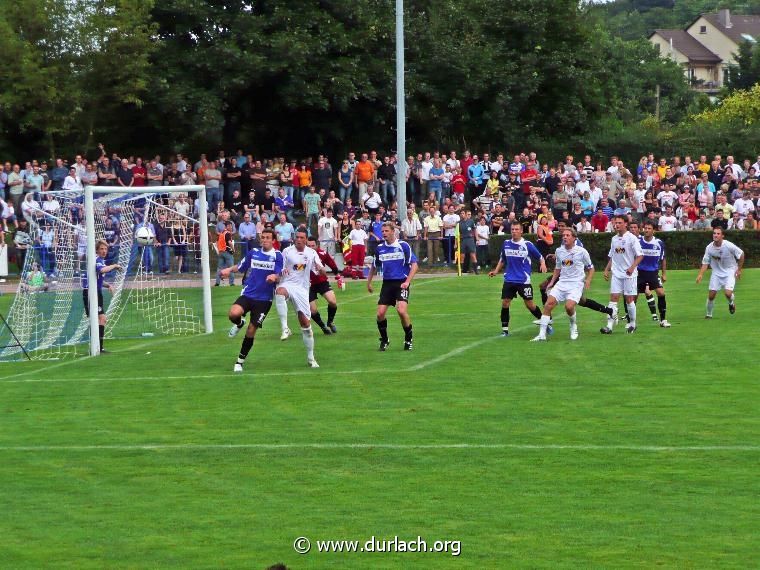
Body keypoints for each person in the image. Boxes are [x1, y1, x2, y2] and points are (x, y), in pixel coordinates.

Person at [220, 228, 284, 373]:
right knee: (233, 314)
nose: (265, 240)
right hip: (248, 293)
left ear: (273, 240)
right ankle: (239, 322)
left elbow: (279, 273)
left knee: (251, 330)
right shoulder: (253, 253)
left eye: (268, 238)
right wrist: (228, 270)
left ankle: (239, 361)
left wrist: (275, 277)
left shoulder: (277, 256)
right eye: (263, 237)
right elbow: (241, 266)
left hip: (264, 299)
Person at [532, 227, 595, 342]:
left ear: (574, 238)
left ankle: (573, 326)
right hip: (562, 282)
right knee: (548, 305)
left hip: (576, 283)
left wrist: (588, 280)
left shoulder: (581, 251)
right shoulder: (559, 251)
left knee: (569, 306)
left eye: (567, 235)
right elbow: (558, 268)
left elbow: (591, 268)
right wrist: (551, 282)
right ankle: (541, 335)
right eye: (563, 235)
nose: (565, 237)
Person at [274, 228, 326, 367]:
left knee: (306, 326)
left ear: (306, 239)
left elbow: (321, 269)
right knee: (279, 292)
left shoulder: (311, 253)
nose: (298, 239)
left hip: (302, 290)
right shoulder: (287, 251)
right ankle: (285, 328)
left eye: (302, 237)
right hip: (287, 284)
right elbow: (279, 266)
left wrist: (321, 270)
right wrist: (279, 272)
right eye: (297, 237)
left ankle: (311, 358)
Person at [488, 223, 547, 337]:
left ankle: (544, 322)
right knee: (505, 303)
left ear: (521, 231)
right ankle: (505, 331)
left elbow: (540, 257)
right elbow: (502, 259)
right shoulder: (506, 244)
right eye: (512, 229)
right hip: (509, 279)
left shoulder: (527, 245)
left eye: (516, 229)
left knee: (530, 304)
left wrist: (543, 264)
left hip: (523, 280)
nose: (514, 231)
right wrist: (495, 271)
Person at [367, 222, 418, 351]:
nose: (383, 233)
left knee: (401, 311)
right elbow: (374, 265)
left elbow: (415, 265)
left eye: (386, 231)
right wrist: (369, 282)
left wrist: (407, 281)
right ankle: (384, 340)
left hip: (401, 282)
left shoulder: (403, 246)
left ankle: (408, 339)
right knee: (380, 314)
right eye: (382, 231)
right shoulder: (380, 248)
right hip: (387, 283)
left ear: (393, 231)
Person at [601, 215, 644, 334]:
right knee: (613, 299)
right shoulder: (614, 239)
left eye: (619, 223)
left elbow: (640, 256)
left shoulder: (632, 238)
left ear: (626, 224)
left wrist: (631, 268)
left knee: (629, 300)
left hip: (629, 274)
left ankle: (632, 323)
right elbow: (612, 256)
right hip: (616, 274)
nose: (616, 225)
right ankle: (609, 326)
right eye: (615, 223)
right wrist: (606, 269)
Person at [82, 240, 122, 353]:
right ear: (97, 250)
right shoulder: (97, 260)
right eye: (101, 249)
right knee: (100, 319)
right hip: (90, 292)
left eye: (105, 249)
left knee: (100, 319)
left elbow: (97, 278)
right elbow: (101, 270)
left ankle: (98, 348)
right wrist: (114, 265)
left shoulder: (100, 261)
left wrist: (107, 285)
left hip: (95, 291)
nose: (104, 251)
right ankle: (97, 348)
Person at [696, 227, 744, 318]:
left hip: (730, 271)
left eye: (718, 234)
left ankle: (731, 303)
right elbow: (705, 262)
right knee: (711, 296)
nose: (715, 235)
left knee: (728, 293)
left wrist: (739, 269)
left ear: (722, 236)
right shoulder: (709, 248)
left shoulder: (728, 245)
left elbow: (741, 254)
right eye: (714, 233)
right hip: (716, 273)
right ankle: (709, 315)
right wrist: (700, 274)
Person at [306, 237, 343, 335]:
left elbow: (332, 264)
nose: (310, 248)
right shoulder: (302, 255)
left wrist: (338, 276)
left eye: (312, 245)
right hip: (307, 285)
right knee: (312, 310)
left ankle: (330, 322)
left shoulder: (322, 253)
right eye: (308, 246)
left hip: (322, 282)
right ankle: (323, 326)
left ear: (317, 245)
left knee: (332, 301)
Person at [636, 221, 670, 327]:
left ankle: (663, 320)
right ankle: (630, 321)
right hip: (639, 273)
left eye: (649, 228)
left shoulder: (659, 243)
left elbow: (663, 258)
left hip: (653, 273)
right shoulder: (637, 241)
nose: (646, 230)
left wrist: (664, 273)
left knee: (661, 293)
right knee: (632, 297)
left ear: (653, 231)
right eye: (645, 228)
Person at [215, 221, 235, 286]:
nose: (231, 227)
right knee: (231, 267)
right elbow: (229, 242)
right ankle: (231, 283)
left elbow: (217, 242)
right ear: (228, 226)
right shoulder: (227, 233)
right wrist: (233, 249)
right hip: (227, 252)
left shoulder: (221, 233)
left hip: (221, 252)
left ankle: (217, 282)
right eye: (230, 226)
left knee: (219, 268)